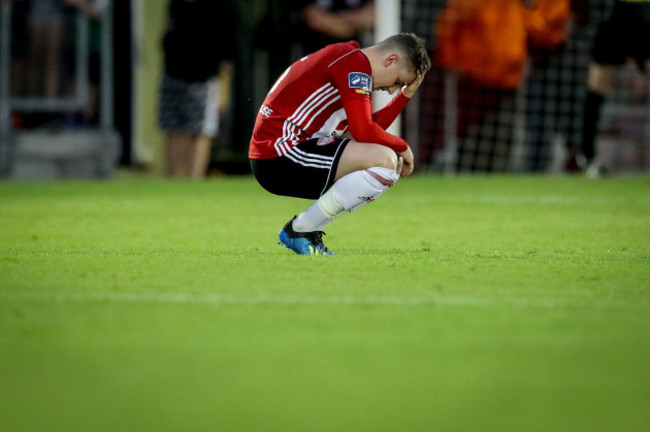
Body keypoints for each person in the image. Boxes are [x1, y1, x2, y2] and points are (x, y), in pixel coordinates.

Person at [249, 32, 431, 255]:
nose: (392, 89)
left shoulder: (350, 58)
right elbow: (363, 130)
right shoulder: (354, 64)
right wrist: (403, 146)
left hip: (283, 152)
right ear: (391, 60)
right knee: (385, 159)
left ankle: (304, 230)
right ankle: (301, 230)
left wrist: (405, 95)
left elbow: (363, 131)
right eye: (397, 82)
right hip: (279, 153)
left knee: (385, 159)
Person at [159, 0, 236, 179]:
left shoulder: (222, 4)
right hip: (174, 71)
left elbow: (228, 42)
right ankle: (173, 182)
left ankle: (194, 181)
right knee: (174, 127)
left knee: (201, 130)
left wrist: (224, 89)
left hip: (204, 74)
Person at [579, 0, 650, 178]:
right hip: (614, 13)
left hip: (645, 14)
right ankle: (588, 155)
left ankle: (587, 155)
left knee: (596, 88)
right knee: (596, 88)